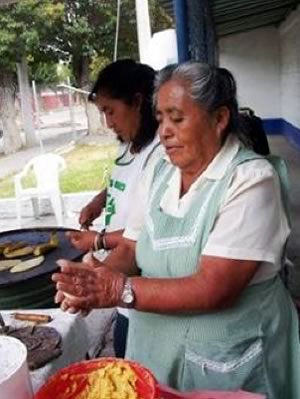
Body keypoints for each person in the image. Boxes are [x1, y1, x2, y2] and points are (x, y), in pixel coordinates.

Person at [53, 62, 300, 397]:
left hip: (227, 362)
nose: (164, 131)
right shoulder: (160, 170)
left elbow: (214, 287)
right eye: (160, 118)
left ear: (220, 118)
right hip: (157, 350)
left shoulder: (251, 180)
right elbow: (129, 248)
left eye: (177, 118)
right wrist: (91, 282)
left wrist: (117, 290)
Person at [67, 59, 161, 358]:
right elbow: (123, 180)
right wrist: (100, 200)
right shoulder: (129, 143)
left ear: (137, 102)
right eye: (102, 112)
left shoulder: (163, 152)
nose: (108, 123)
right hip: (121, 276)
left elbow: (145, 234)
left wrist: (97, 241)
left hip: (145, 285)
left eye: (110, 111)